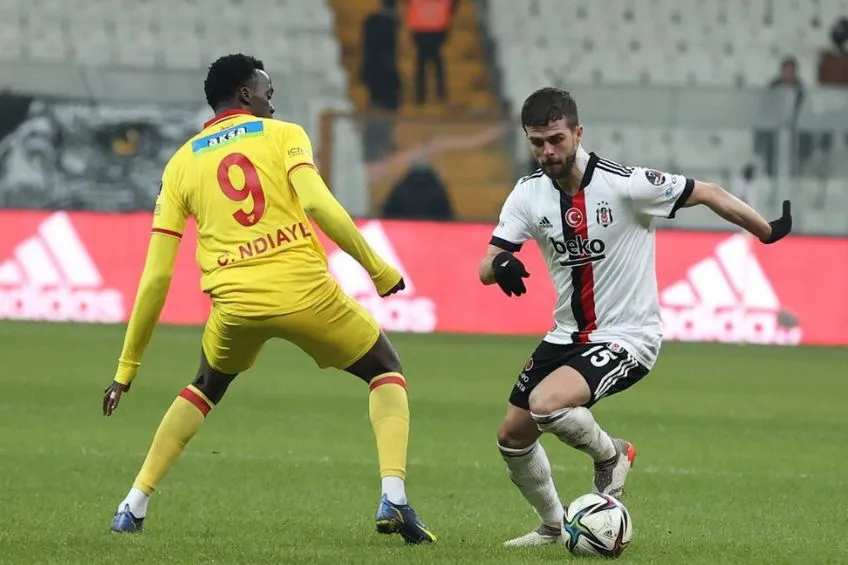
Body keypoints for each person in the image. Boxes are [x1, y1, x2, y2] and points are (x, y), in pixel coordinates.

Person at [103, 54, 436, 545]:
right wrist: (378, 268)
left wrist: (126, 369)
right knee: (385, 368)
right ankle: (394, 496)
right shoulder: (286, 137)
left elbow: (156, 277)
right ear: (244, 94)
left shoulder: (179, 164)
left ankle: (133, 504)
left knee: (205, 384)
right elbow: (320, 203)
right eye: (267, 92)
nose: (272, 103)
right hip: (305, 294)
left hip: (235, 307)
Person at [478, 87, 792, 548]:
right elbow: (486, 264)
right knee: (512, 436)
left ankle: (612, 455)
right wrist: (499, 265)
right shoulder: (528, 194)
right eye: (537, 142)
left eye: (556, 140)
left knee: (546, 404)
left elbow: (706, 192)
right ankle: (552, 524)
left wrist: (764, 231)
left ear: (578, 133)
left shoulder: (626, 184)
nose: (547, 151)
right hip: (567, 334)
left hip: (628, 336)